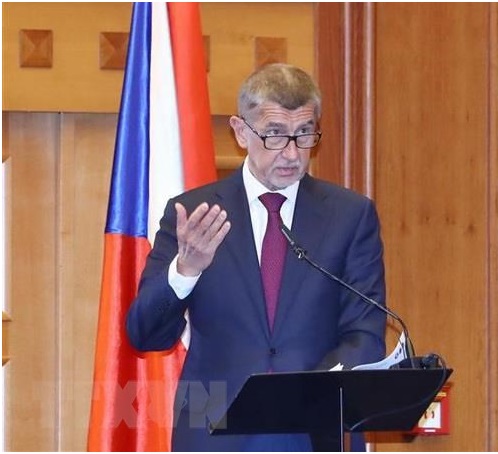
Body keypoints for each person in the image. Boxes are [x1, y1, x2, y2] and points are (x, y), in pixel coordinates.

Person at [126, 63, 387, 452]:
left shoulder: (350, 216)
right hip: (213, 434)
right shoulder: (194, 214)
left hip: (314, 434)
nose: (292, 153)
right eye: (275, 134)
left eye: (304, 134)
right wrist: (185, 271)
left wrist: (309, 396)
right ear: (241, 131)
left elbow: (364, 334)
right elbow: (145, 334)